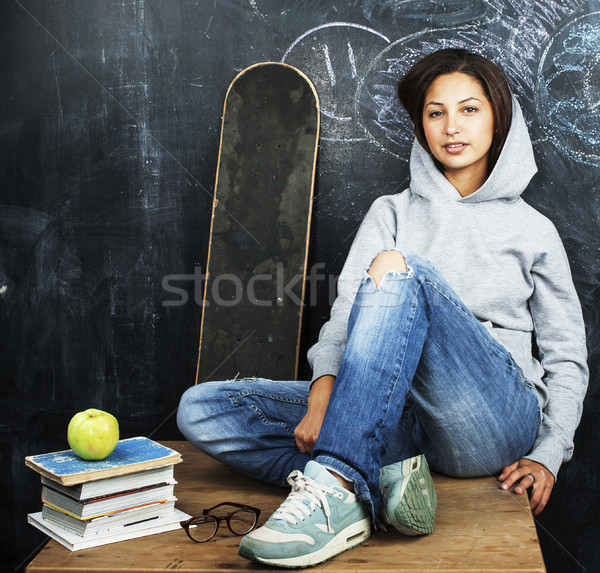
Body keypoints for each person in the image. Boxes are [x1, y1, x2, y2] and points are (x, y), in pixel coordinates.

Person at [177, 48, 588, 569]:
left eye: (469, 109)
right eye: (435, 112)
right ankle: (382, 484)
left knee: (400, 269)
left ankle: (339, 488)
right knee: (203, 409)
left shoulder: (534, 230)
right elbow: (349, 311)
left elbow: (567, 357)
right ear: (421, 124)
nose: (451, 126)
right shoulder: (390, 212)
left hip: (490, 424)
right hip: (397, 421)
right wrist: (324, 390)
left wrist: (548, 454)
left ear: (499, 117)